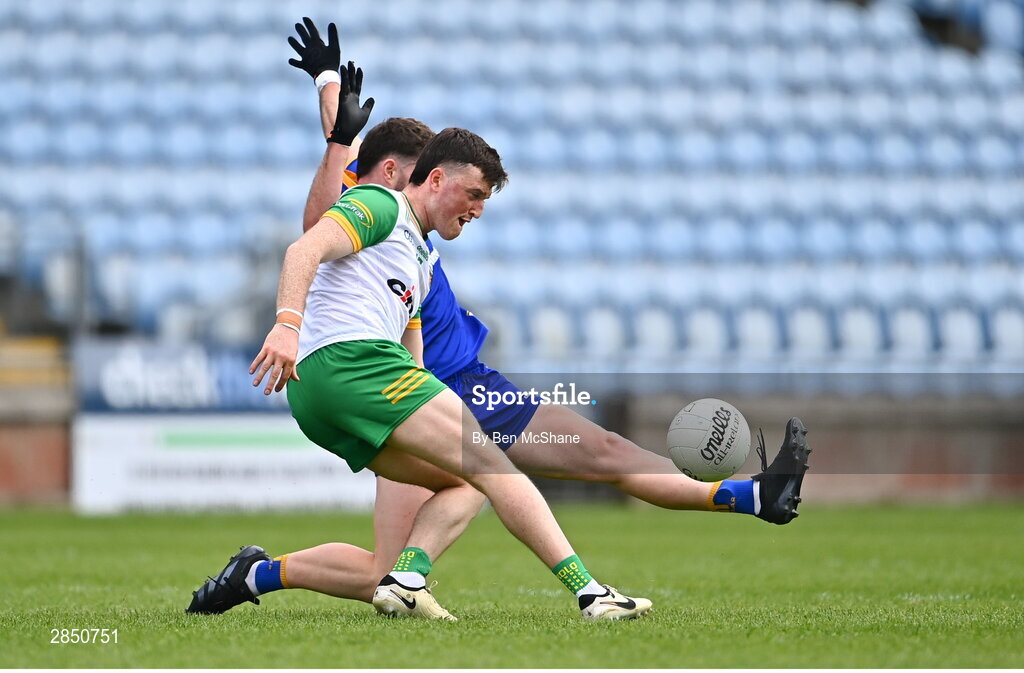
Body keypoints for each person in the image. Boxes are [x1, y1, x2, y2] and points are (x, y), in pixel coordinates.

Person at [186, 18, 811, 621]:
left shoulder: (416, 245)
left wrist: (330, 88)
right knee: (559, 463)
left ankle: (266, 575)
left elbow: (348, 175)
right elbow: (315, 228)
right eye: (466, 191)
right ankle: (585, 592)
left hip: (425, 385)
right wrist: (333, 125)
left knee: (581, 458)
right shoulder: (378, 207)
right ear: (405, 175)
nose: (474, 207)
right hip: (398, 385)